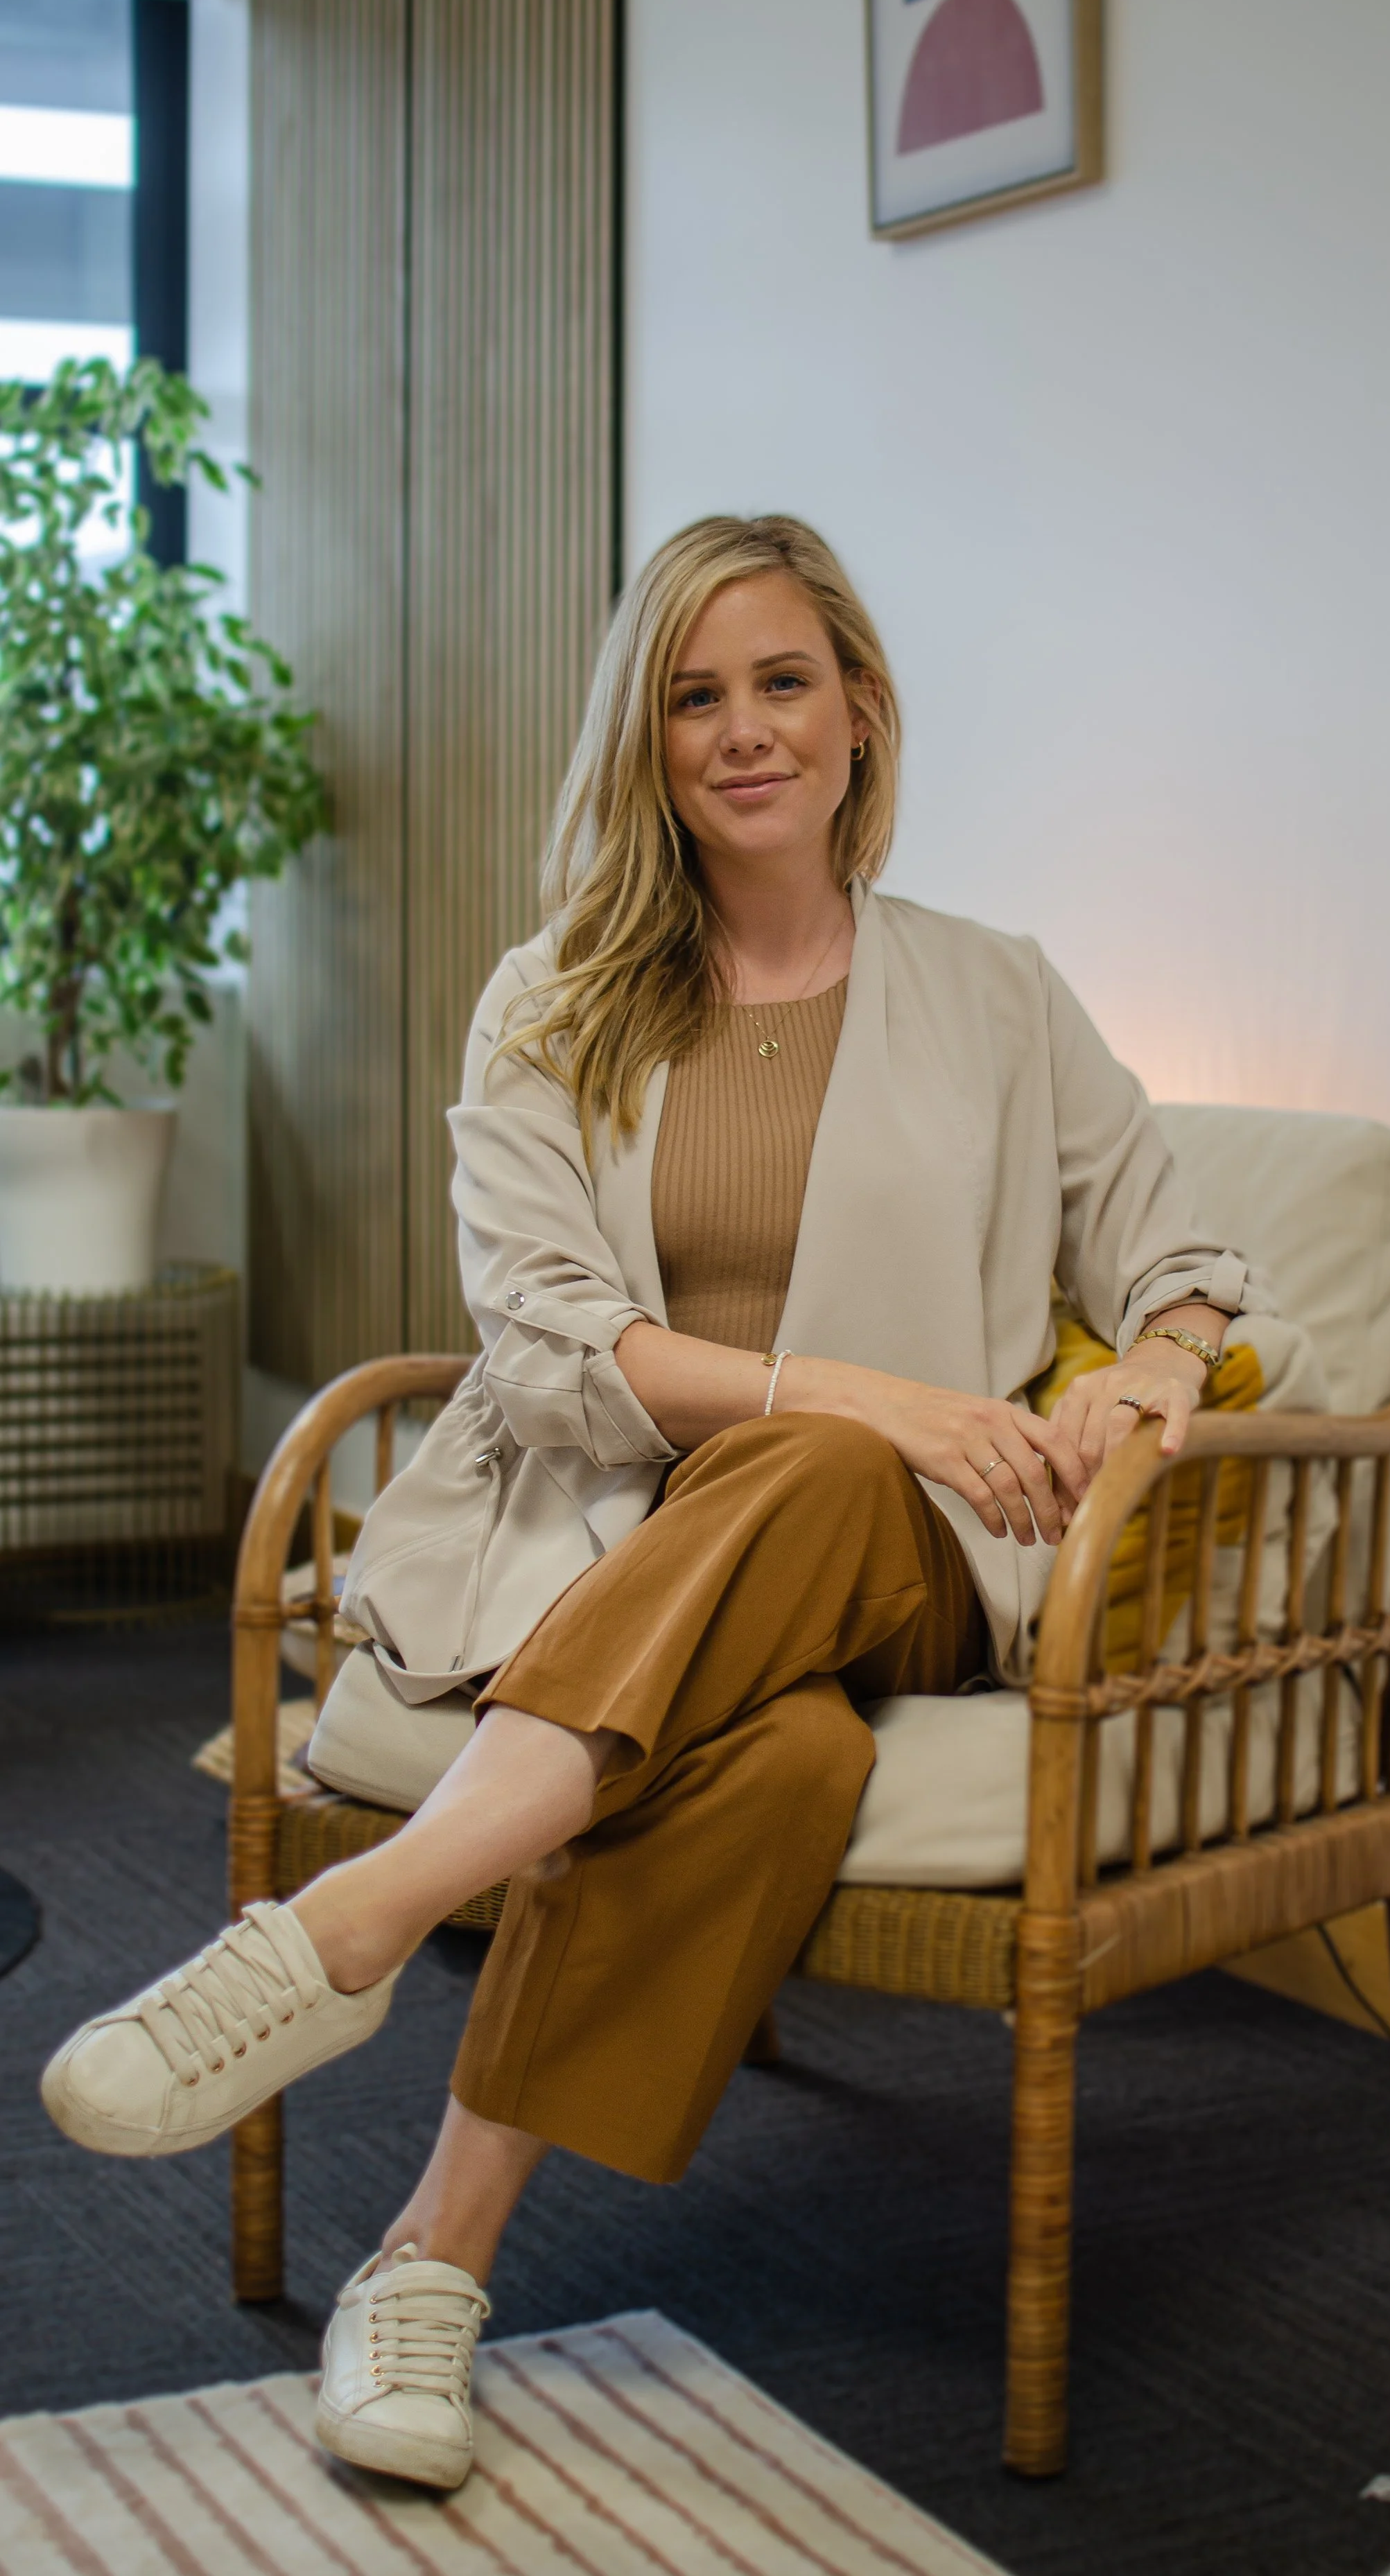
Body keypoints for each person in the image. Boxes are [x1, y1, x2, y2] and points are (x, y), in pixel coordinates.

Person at [41, 514, 1263, 2490]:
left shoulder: (997, 991)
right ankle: (428, 2258)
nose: (742, 729)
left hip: (921, 1555)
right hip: (611, 1539)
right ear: (649, 740)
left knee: (819, 1469)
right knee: (771, 1760)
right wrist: (859, 1385)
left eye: (783, 681)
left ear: (859, 711)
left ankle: (346, 1927)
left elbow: (1171, 1249)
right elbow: (540, 1343)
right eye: (694, 696)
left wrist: (1151, 1361)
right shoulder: (549, 999)